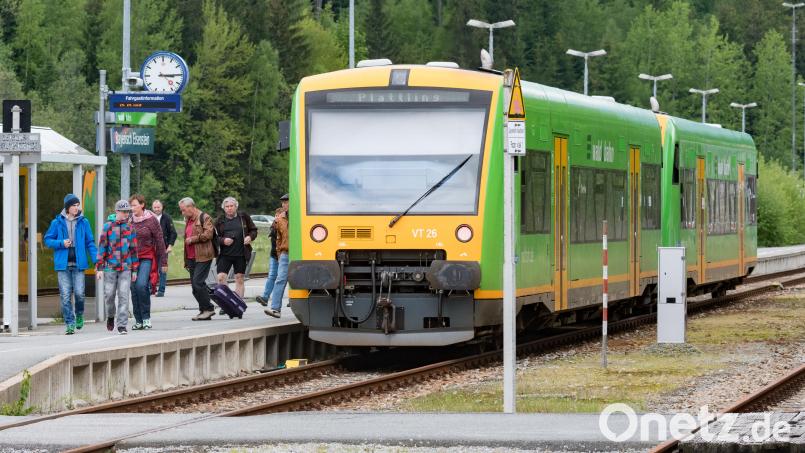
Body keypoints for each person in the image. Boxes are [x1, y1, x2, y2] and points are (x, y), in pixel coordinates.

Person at [43, 194, 98, 335]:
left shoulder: (83, 222)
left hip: (79, 264)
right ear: (68, 207)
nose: (77, 207)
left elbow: (90, 243)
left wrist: (97, 261)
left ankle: (79, 314)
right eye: (74, 205)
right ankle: (70, 323)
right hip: (63, 265)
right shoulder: (57, 222)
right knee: (65, 296)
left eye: (78, 205)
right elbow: (47, 240)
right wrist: (61, 243)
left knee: (79, 294)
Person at [96, 200, 139, 335]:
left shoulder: (130, 228)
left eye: (128, 211)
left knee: (124, 296)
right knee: (109, 295)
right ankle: (110, 315)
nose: (126, 214)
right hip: (110, 267)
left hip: (126, 267)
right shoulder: (107, 226)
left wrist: (135, 269)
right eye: (124, 211)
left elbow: (134, 249)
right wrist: (99, 267)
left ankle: (122, 325)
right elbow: (102, 247)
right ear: (117, 212)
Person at [129, 194, 167, 330]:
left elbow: (160, 241)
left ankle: (146, 318)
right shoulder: (129, 220)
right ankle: (138, 320)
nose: (132, 208)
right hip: (132, 260)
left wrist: (164, 262)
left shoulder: (151, 220)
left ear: (142, 205)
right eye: (131, 205)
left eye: (134, 205)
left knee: (141, 285)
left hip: (146, 257)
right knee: (133, 288)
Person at [179, 197, 217, 320]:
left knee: (198, 283)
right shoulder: (188, 220)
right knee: (195, 287)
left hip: (203, 256)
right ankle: (204, 311)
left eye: (184, 210)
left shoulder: (204, 217)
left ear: (191, 207)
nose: (182, 213)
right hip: (191, 257)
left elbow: (208, 234)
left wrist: (193, 239)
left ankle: (209, 309)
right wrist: (186, 260)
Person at [214, 197, 258, 300]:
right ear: (224, 208)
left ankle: (238, 304)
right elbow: (214, 237)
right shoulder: (219, 220)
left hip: (241, 254)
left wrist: (250, 237)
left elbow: (254, 230)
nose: (229, 208)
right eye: (227, 206)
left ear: (236, 207)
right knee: (221, 278)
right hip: (225, 254)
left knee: (239, 279)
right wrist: (223, 240)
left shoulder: (243, 217)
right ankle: (227, 302)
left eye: (231, 206)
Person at [263, 193, 289, 318]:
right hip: (285, 252)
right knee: (280, 279)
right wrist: (279, 254)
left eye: (286, 202)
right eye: (283, 202)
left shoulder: (301, 216)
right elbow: (278, 239)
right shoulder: (279, 219)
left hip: (300, 253)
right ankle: (275, 308)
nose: (284, 204)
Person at [152, 199, 177, 297]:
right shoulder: (149, 217)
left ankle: (161, 290)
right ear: (152, 208)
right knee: (151, 269)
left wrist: (170, 246)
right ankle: (152, 289)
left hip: (164, 247)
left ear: (162, 207)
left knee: (162, 269)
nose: (157, 209)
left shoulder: (167, 218)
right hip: (151, 248)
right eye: (155, 207)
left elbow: (173, 233)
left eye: (158, 207)